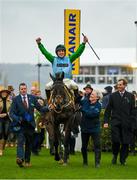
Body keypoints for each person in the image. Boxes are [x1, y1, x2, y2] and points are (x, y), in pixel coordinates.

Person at [36, 35, 88, 101]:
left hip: (67, 80)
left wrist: (83, 43)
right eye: (59, 51)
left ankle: (76, 102)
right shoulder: (53, 59)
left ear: (64, 52)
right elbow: (45, 53)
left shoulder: (69, 59)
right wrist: (39, 44)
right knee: (47, 86)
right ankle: (49, 102)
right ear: (57, 52)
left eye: (62, 51)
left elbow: (78, 53)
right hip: (56, 81)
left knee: (75, 86)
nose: (61, 52)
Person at [9, 83, 49, 167]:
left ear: (26, 89)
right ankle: (20, 158)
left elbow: (40, 108)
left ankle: (27, 161)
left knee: (28, 144)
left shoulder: (32, 98)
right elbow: (11, 113)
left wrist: (48, 108)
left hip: (30, 125)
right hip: (20, 125)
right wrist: (18, 119)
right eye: (21, 89)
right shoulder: (16, 99)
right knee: (20, 142)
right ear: (19, 90)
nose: (23, 90)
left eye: (24, 89)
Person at [103, 79, 136, 165]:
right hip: (115, 122)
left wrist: (133, 124)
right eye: (118, 85)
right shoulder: (113, 96)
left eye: (120, 85)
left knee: (125, 142)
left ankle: (123, 159)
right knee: (116, 141)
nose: (119, 86)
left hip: (126, 124)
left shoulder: (130, 96)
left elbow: (133, 111)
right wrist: (106, 121)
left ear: (125, 85)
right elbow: (108, 110)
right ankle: (115, 155)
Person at [80, 89, 102, 168]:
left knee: (97, 145)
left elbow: (92, 114)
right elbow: (77, 101)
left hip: (95, 128)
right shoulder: (85, 101)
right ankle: (85, 162)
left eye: (93, 95)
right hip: (85, 128)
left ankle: (97, 163)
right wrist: (79, 95)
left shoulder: (98, 105)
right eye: (91, 94)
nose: (91, 95)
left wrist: (83, 110)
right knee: (84, 146)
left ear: (97, 97)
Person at [0, 89, 12, 156]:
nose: (4, 94)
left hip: (7, 119)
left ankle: (2, 147)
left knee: (6, 133)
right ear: (1, 94)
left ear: (7, 94)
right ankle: (0, 150)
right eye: (3, 93)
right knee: (0, 132)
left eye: (5, 93)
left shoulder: (10, 101)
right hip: (0, 119)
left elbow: (12, 110)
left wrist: (6, 114)